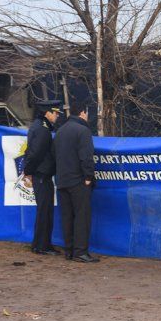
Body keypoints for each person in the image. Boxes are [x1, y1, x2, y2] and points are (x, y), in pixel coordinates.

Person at [54, 106, 97, 263]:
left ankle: (70, 250)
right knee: (82, 216)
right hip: (78, 181)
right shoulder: (83, 131)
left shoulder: (60, 131)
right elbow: (86, 157)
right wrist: (88, 176)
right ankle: (81, 252)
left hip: (62, 180)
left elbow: (55, 156)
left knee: (67, 217)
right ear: (82, 113)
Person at [23, 100, 61, 255]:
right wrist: (28, 171)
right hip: (42, 176)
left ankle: (42, 244)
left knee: (45, 211)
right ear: (48, 113)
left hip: (41, 175)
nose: (57, 116)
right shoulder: (43, 130)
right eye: (56, 113)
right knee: (44, 212)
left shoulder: (39, 126)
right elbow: (35, 154)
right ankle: (41, 246)